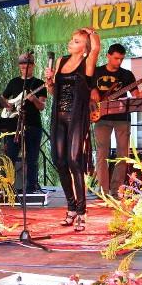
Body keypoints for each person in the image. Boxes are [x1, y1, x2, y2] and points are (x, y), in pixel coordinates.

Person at [45, 27, 100, 231]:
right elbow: (53, 91)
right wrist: (49, 81)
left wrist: (91, 33)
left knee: (74, 161)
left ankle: (82, 211)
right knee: (59, 161)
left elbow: (96, 48)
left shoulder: (87, 63)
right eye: (71, 39)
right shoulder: (61, 61)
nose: (71, 42)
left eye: (76, 41)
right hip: (58, 117)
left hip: (76, 117)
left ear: (85, 48)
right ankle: (71, 207)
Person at [91, 44, 142, 198]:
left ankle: (116, 190)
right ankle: (103, 191)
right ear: (108, 55)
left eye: (122, 59)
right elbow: (87, 92)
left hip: (122, 118)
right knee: (101, 154)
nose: (119, 62)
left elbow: (137, 97)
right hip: (101, 118)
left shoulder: (127, 75)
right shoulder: (96, 72)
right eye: (116, 58)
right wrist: (93, 96)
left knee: (122, 155)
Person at [2, 52, 47, 193]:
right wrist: (9, 105)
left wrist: (34, 99)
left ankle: (31, 188)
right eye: (21, 66)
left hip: (33, 125)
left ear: (33, 66)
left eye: (27, 66)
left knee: (32, 158)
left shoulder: (39, 84)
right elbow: (3, 99)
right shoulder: (13, 82)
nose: (24, 69)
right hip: (14, 125)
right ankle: (8, 188)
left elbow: (42, 106)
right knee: (10, 157)